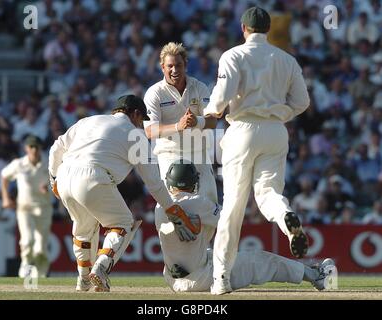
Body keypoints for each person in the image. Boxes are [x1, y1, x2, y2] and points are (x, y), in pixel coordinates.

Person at [203, 7, 311, 294]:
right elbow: (301, 102)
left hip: (242, 130)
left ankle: (222, 277)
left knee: (233, 207)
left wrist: (208, 111)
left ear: (243, 29)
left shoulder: (233, 55)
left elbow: (220, 101)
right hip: (276, 131)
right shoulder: (286, 59)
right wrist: (278, 115)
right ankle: (288, 220)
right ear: (267, 28)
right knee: (269, 195)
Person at [48, 95, 200, 292]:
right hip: (93, 176)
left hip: (65, 175)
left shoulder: (89, 120)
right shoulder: (135, 135)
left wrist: (54, 179)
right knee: (123, 224)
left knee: (83, 229)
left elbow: (56, 147)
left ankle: (83, 279)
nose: (141, 125)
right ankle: (101, 268)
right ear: (135, 113)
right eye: (141, 120)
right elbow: (154, 184)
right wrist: (173, 209)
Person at [155, 160, 336, 293]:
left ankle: (313, 272)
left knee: (210, 252)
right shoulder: (199, 203)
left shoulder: (159, 208)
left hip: (173, 278)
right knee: (264, 261)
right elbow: (228, 221)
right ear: (194, 182)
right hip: (202, 278)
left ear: (169, 183)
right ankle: (316, 277)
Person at [143, 42, 218, 203]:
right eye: (170, 66)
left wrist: (196, 121)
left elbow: (213, 121)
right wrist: (179, 126)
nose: (174, 70)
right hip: (169, 155)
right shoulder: (154, 93)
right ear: (162, 67)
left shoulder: (200, 87)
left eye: (178, 65)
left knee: (210, 204)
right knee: (174, 205)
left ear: (185, 65)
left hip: (199, 154)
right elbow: (149, 130)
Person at [1, 135, 53, 278]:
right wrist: (5, 198)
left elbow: (58, 180)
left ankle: (41, 277)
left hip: (44, 208)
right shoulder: (19, 164)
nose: (34, 150)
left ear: (40, 148)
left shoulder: (49, 164)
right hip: (25, 208)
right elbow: (4, 176)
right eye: (31, 147)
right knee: (27, 240)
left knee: (41, 248)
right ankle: (25, 267)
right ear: (26, 148)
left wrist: (49, 187)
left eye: (36, 146)